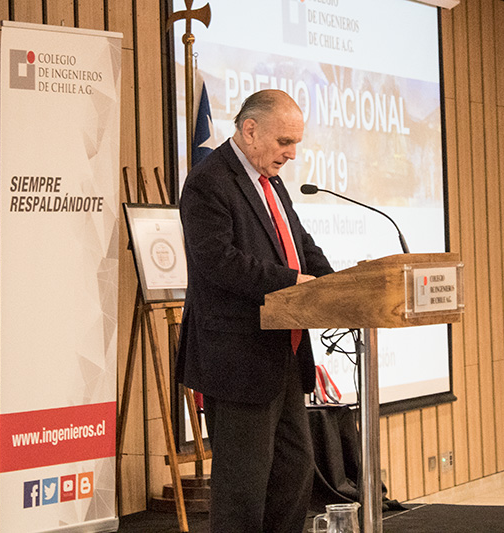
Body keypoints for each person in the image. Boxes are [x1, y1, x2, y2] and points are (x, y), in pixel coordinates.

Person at [176, 89, 334, 533]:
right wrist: (292, 283)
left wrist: (333, 284)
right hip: (238, 358)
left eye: (295, 142)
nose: (292, 153)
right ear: (250, 130)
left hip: (283, 351)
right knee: (243, 488)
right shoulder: (209, 181)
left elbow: (299, 244)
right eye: (285, 141)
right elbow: (218, 260)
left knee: (294, 472)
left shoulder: (272, 181)